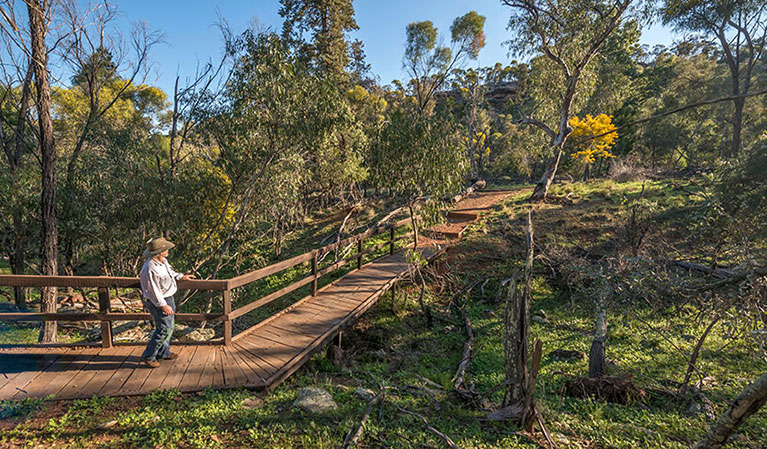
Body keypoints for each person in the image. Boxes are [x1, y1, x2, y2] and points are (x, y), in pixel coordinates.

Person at [139, 237, 195, 368]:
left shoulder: (163, 261)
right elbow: (152, 290)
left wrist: (181, 276)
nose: (168, 250)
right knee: (163, 329)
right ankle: (149, 356)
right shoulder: (149, 268)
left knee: (169, 328)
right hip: (158, 302)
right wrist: (163, 305)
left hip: (168, 298)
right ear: (159, 252)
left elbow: (170, 273)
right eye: (165, 249)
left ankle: (163, 352)